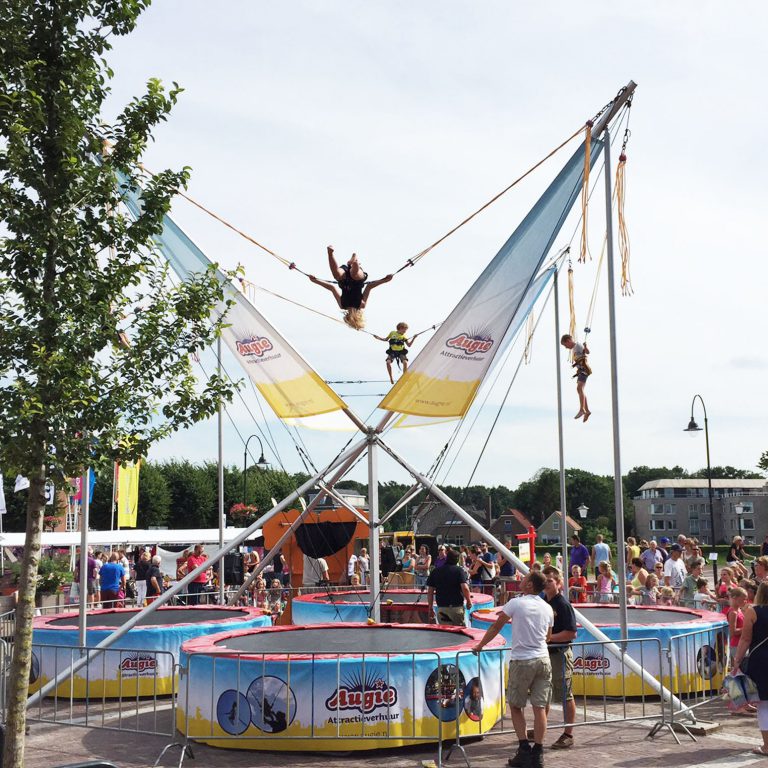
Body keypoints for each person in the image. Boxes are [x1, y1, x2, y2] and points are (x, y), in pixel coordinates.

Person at [472, 571, 553, 768]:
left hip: (522, 660)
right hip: (543, 659)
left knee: (516, 706)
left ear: (530, 586)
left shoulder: (517, 603)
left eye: (525, 579)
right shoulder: (547, 607)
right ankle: (538, 753)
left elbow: (495, 627)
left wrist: (480, 645)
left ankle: (524, 748)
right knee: (539, 708)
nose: (521, 581)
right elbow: (548, 637)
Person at [307, 245, 393, 330]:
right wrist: (384, 280)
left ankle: (332, 254)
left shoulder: (346, 305)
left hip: (345, 280)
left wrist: (315, 280)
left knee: (337, 275)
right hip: (357, 280)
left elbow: (332, 288)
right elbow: (369, 287)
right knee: (351, 275)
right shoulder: (357, 305)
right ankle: (353, 262)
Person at [541, 566, 577, 750]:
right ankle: (541, 726)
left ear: (558, 584)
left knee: (565, 693)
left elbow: (571, 632)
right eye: (544, 580)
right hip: (545, 654)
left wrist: (548, 638)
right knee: (543, 692)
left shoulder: (562, 604)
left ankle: (568, 733)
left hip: (560, 654)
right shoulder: (542, 601)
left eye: (550, 581)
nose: (546, 583)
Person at [732, 581, 768, 756]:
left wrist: (737, 660)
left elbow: (745, 639)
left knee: (764, 704)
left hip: (760, 659)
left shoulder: (753, 611)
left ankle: (767, 746)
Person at [426, 548, 473, 626]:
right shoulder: (459, 571)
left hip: (442, 608)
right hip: (456, 608)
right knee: (459, 634)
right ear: (457, 560)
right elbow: (464, 587)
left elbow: (430, 591)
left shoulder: (435, 571)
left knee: (445, 634)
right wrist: (468, 601)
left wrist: (430, 608)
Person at [560, 334, 591, 421]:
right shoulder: (574, 348)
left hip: (584, 370)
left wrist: (585, 346)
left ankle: (582, 409)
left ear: (568, 341)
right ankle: (587, 410)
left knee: (579, 388)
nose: (566, 347)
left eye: (565, 345)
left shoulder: (578, 346)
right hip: (581, 371)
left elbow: (587, 352)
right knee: (580, 390)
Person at [726, 586, 747, 669]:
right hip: (736, 645)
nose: (745, 601)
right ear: (735, 598)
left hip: (740, 643)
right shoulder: (733, 612)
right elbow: (732, 632)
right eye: (743, 599)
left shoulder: (739, 610)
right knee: (739, 668)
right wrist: (747, 628)